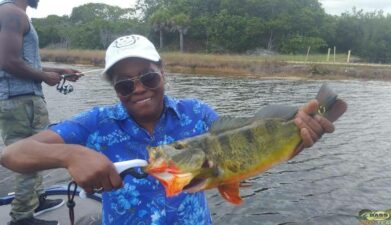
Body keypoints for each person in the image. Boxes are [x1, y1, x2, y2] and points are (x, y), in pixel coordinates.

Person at [0, 34, 335, 225]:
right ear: (114, 89)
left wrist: (296, 137)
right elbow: (12, 153)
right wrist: (70, 154)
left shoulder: (197, 113)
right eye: (125, 85)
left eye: (148, 77)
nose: (139, 89)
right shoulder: (95, 124)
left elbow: (240, 156)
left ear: (162, 72)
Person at [0, 0, 82, 224]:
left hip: (20, 100)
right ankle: (22, 217)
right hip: (21, 102)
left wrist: (58, 71)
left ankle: (35, 199)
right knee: (30, 155)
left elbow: (24, 62)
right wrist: (46, 77)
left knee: (37, 154)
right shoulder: (11, 13)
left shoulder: (12, 13)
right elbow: (7, 62)